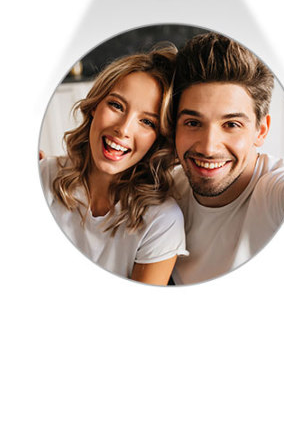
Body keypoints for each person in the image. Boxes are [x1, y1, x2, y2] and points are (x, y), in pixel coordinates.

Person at [38, 45, 186, 285]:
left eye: (147, 122)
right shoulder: (44, 175)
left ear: (159, 138)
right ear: (95, 105)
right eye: (117, 106)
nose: (123, 129)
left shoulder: (163, 220)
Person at [168, 32, 284, 285]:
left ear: (261, 130)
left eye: (231, 124)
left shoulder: (278, 190)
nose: (208, 147)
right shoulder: (165, 191)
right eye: (193, 123)